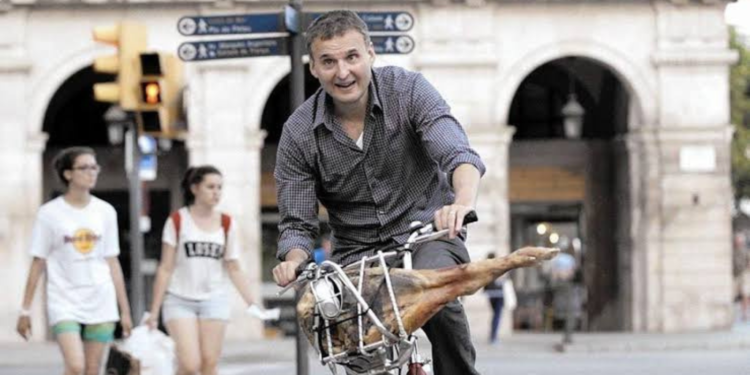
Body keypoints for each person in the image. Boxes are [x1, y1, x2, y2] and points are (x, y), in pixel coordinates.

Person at [272, 10, 485, 375]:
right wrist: (293, 259)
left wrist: (461, 204)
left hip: (426, 233)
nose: (342, 72)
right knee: (348, 340)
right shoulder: (298, 133)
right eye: (328, 62)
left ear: (370, 53)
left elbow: (457, 154)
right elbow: (297, 223)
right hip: (358, 254)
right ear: (314, 69)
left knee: (435, 293)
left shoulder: (409, 91)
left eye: (351, 57)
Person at [16, 146, 133, 375]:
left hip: (101, 298)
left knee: (92, 369)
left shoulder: (106, 211)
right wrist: (25, 310)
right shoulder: (49, 214)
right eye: (84, 167)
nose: (92, 172)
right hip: (64, 299)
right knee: (76, 366)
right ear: (68, 174)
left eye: (94, 167)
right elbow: (38, 262)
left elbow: (113, 262)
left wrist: (125, 311)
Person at [145, 165, 257, 375]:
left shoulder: (226, 223)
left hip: (214, 299)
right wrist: (153, 311)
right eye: (210, 187)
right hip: (179, 299)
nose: (216, 192)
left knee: (209, 364)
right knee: (189, 364)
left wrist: (251, 301)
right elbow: (166, 267)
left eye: (219, 188)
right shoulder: (178, 220)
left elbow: (233, 267)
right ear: (195, 188)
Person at [483, 253, 505, 345]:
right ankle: (493, 336)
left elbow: (485, 284)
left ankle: (493, 335)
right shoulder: (498, 268)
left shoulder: (486, 269)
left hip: (491, 295)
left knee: (495, 315)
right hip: (499, 295)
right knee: (497, 316)